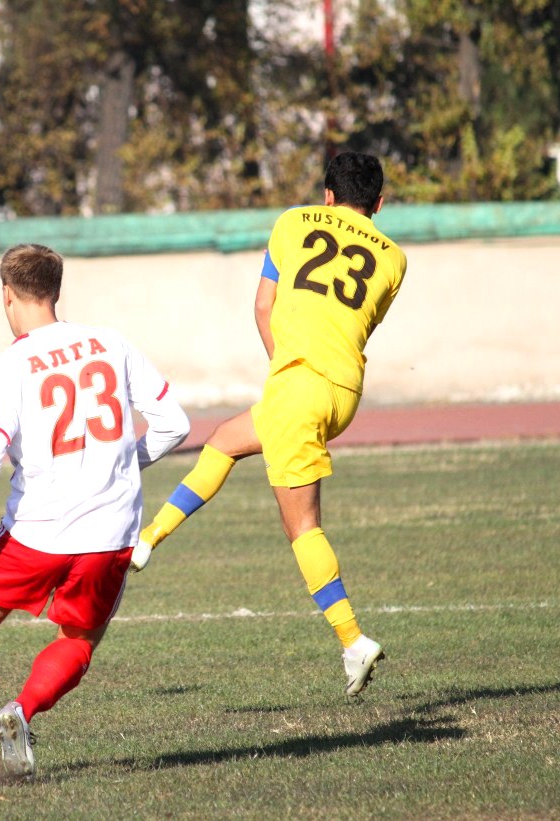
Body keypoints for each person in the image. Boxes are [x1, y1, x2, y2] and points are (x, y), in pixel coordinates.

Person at [0, 243, 190, 789]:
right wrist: (121, 463)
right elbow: (174, 425)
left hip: (36, 532)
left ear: (7, 295)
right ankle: (23, 707)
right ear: (56, 291)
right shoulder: (111, 343)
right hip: (110, 532)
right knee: (80, 639)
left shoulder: (6, 368)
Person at [130, 151, 407, 696]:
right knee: (226, 440)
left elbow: (263, 306)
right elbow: (357, 325)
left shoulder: (291, 221)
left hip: (297, 383)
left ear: (327, 195)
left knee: (303, 528)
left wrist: (285, 368)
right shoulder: (395, 259)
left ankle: (353, 640)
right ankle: (148, 539)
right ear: (379, 203)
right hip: (343, 391)